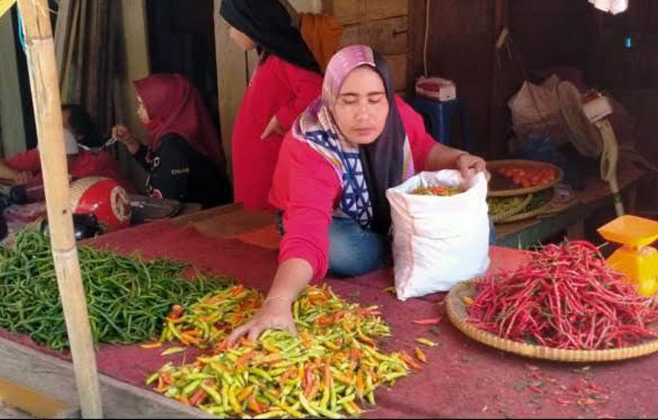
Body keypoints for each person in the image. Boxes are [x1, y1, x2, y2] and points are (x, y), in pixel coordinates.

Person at [228, 45, 489, 345]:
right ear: (329, 99)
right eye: (348, 101)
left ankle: (394, 242)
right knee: (344, 252)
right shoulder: (313, 145)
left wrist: (458, 158)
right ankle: (396, 244)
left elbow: (423, 148)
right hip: (329, 219)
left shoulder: (399, 116)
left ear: (388, 98)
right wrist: (277, 302)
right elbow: (306, 232)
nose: (364, 114)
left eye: (375, 100)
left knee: (477, 226)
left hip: (381, 214)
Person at [219, 0, 323, 211]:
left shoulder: (284, 59)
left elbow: (316, 93)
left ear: (252, 24)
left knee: (262, 225)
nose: (231, 34)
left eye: (233, 26)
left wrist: (282, 118)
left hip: (269, 165)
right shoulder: (270, 56)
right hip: (257, 164)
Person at [111, 73, 232, 208]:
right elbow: (159, 166)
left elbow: (165, 208)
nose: (138, 111)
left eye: (143, 106)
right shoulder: (180, 134)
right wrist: (129, 141)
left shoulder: (175, 145)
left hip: (206, 222)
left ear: (163, 106)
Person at [0, 104, 136, 193]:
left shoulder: (97, 163)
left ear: (79, 136)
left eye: (60, 127)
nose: (53, 131)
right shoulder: (43, 154)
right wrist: (15, 176)